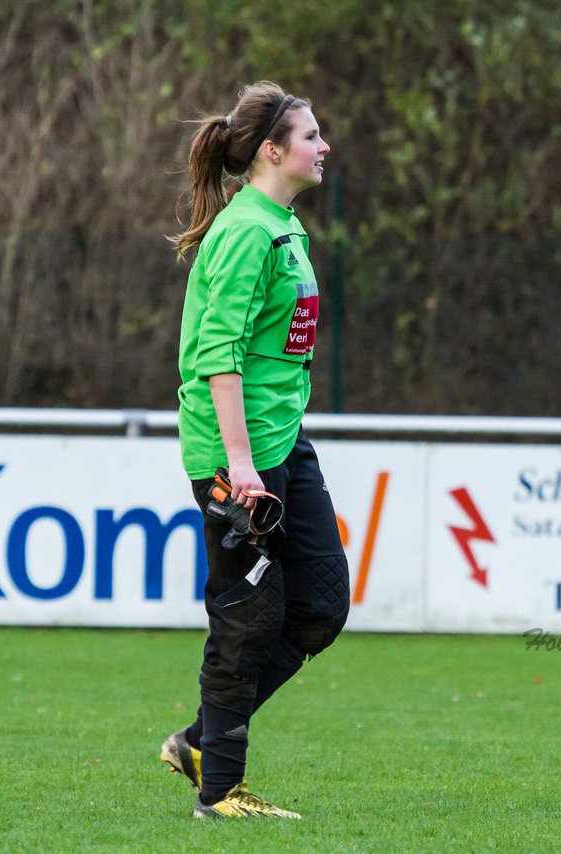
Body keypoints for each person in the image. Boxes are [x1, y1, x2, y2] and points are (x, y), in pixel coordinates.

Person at [159, 81, 349, 820]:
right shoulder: (245, 232)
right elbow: (219, 353)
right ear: (273, 151)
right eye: (310, 135)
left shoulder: (281, 226)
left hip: (281, 442)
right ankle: (219, 793)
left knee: (322, 603)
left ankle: (200, 740)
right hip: (238, 457)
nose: (323, 145)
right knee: (247, 615)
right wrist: (238, 466)